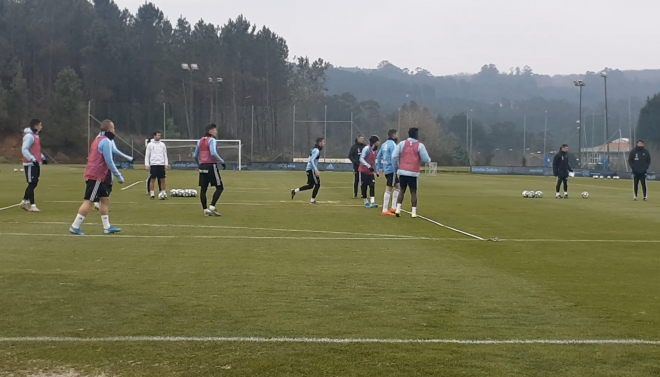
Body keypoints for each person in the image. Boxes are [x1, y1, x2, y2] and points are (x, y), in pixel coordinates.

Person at [69, 120, 124, 235]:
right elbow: (109, 160)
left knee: (105, 199)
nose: (114, 130)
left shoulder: (97, 140)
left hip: (100, 176)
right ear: (109, 129)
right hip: (96, 176)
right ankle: (75, 225)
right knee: (89, 201)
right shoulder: (106, 142)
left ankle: (107, 226)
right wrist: (118, 175)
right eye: (113, 128)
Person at [392, 127, 431, 218]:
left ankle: (398, 209)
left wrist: (397, 166)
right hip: (413, 172)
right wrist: (428, 160)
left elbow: (394, 156)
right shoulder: (420, 145)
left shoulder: (402, 144)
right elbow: (426, 159)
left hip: (403, 171)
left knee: (402, 190)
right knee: (413, 191)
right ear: (416, 135)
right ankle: (413, 212)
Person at [93, 131, 133, 211]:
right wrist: (127, 157)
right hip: (104, 166)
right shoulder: (104, 139)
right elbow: (113, 151)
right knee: (104, 185)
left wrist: (127, 157)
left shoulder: (103, 139)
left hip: (102, 165)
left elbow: (113, 150)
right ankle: (99, 203)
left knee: (104, 184)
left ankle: (99, 203)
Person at [193, 124, 226, 216]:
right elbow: (213, 153)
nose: (216, 132)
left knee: (203, 189)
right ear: (210, 131)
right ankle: (212, 207)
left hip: (202, 166)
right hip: (211, 166)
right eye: (215, 130)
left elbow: (195, 155)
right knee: (220, 187)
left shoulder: (200, 141)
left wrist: (199, 164)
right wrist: (222, 161)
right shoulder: (212, 140)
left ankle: (205, 210)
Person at [20, 119, 47, 213]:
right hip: (30, 164)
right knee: (32, 183)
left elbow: (36, 150)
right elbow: (25, 149)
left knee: (34, 183)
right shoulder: (29, 136)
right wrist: (32, 159)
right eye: (40, 125)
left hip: (36, 163)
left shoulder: (36, 136)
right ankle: (32, 205)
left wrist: (42, 158)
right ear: (35, 126)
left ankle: (24, 202)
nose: (41, 127)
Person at [291, 137, 324, 205]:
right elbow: (311, 160)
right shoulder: (316, 150)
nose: (323, 143)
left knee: (311, 185)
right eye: (323, 142)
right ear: (320, 143)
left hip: (309, 169)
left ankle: (295, 191)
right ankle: (312, 200)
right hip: (311, 170)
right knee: (317, 184)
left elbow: (310, 159)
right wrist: (316, 170)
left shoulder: (314, 149)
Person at [376, 129, 400, 216]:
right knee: (389, 188)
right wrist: (398, 167)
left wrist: (380, 168)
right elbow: (395, 156)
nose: (397, 136)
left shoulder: (384, 144)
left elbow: (379, 157)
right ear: (393, 135)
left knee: (398, 187)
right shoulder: (393, 144)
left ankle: (393, 207)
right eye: (397, 134)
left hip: (386, 168)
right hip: (392, 169)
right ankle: (385, 209)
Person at [145, 131, 168, 199]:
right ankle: (152, 193)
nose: (159, 137)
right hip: (153, 164)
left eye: (160, 135)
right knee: (152, 179)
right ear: (154, 136)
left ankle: (163, 192)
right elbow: (147, 155)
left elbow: (165, 154)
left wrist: (166, 164)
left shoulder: (162, 145)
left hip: (161, 164)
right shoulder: (150, 145)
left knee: (162, 179)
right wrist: (147, 165)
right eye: (158, 135)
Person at [359, 135, 380, 208]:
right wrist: (368, 166)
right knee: (364, 186)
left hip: (370, 171)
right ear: (374, 142)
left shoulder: (375, 151)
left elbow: (374, 162)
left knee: (372, 185)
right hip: (364, 171)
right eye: (377, 141)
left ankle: (373, 201)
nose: (379, 143)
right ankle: (365, 201)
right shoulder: (366, 149)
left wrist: (376, 171)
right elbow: (361, 159)